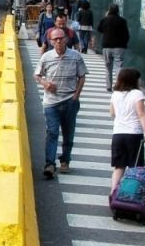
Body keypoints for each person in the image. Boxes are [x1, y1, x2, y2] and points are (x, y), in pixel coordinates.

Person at [34, 28, 88, 178]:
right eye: (55, 39)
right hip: (51, 102)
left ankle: (65, 160)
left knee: (68, 133)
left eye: (60, 38)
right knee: (52, 132)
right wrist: (45, 84)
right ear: (51, 41)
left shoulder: (75, 56)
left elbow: (82, 76)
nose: (58, 41)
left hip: (69, 100)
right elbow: (37, 75)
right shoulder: (46, 57)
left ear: (66, 39)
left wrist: (76, 95)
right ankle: (50, 164)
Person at [109, 68, 145, 197]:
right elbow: (141, 114)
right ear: (134, 80)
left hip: (118, 133)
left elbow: (112, 113)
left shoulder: (115, 94)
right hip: (133, 134)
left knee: (119, 167)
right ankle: (131, 195)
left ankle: (113, 192)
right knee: (135, 168)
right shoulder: (137, 94)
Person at [97, 4, 129, 92]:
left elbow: (99, 29)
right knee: (118, 66)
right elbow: (126, 34)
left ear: (109, 10)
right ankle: (119, 85)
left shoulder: (105, 19)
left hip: (106, 45)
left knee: (108, 66)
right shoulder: (122, 21)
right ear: (118, 10)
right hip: (119, 46)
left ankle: (108, 86)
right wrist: (124, 44)